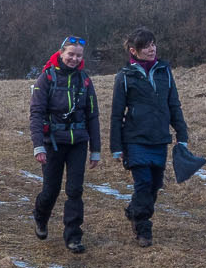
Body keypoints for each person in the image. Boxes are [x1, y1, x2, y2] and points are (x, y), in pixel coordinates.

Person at [108, 27, 190, 248]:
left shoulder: (164, 71)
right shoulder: (124, 77)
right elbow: (116, 114)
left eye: (153, 44)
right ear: (134, 51)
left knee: (155, 185)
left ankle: (134, 211)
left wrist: (182, 133)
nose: (152, 49)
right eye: (146, 46)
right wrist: (116, 147)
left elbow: (173, 104)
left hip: (159, 139)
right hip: (135, 139)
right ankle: (143, 229)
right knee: (143, 183)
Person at [28, 35, 100, 253]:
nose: (75, 59)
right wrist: (38, 145)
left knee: (75, 190)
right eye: (71, 54)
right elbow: (36, 113)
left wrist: (95, 150)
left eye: (79, 56)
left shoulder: (85, 80)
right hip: (53, 144)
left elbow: (93, 116)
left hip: (78, 142)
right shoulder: (46, 79)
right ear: (61, 53)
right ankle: (41, 217)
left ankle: (73, 236)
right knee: (51, 190)